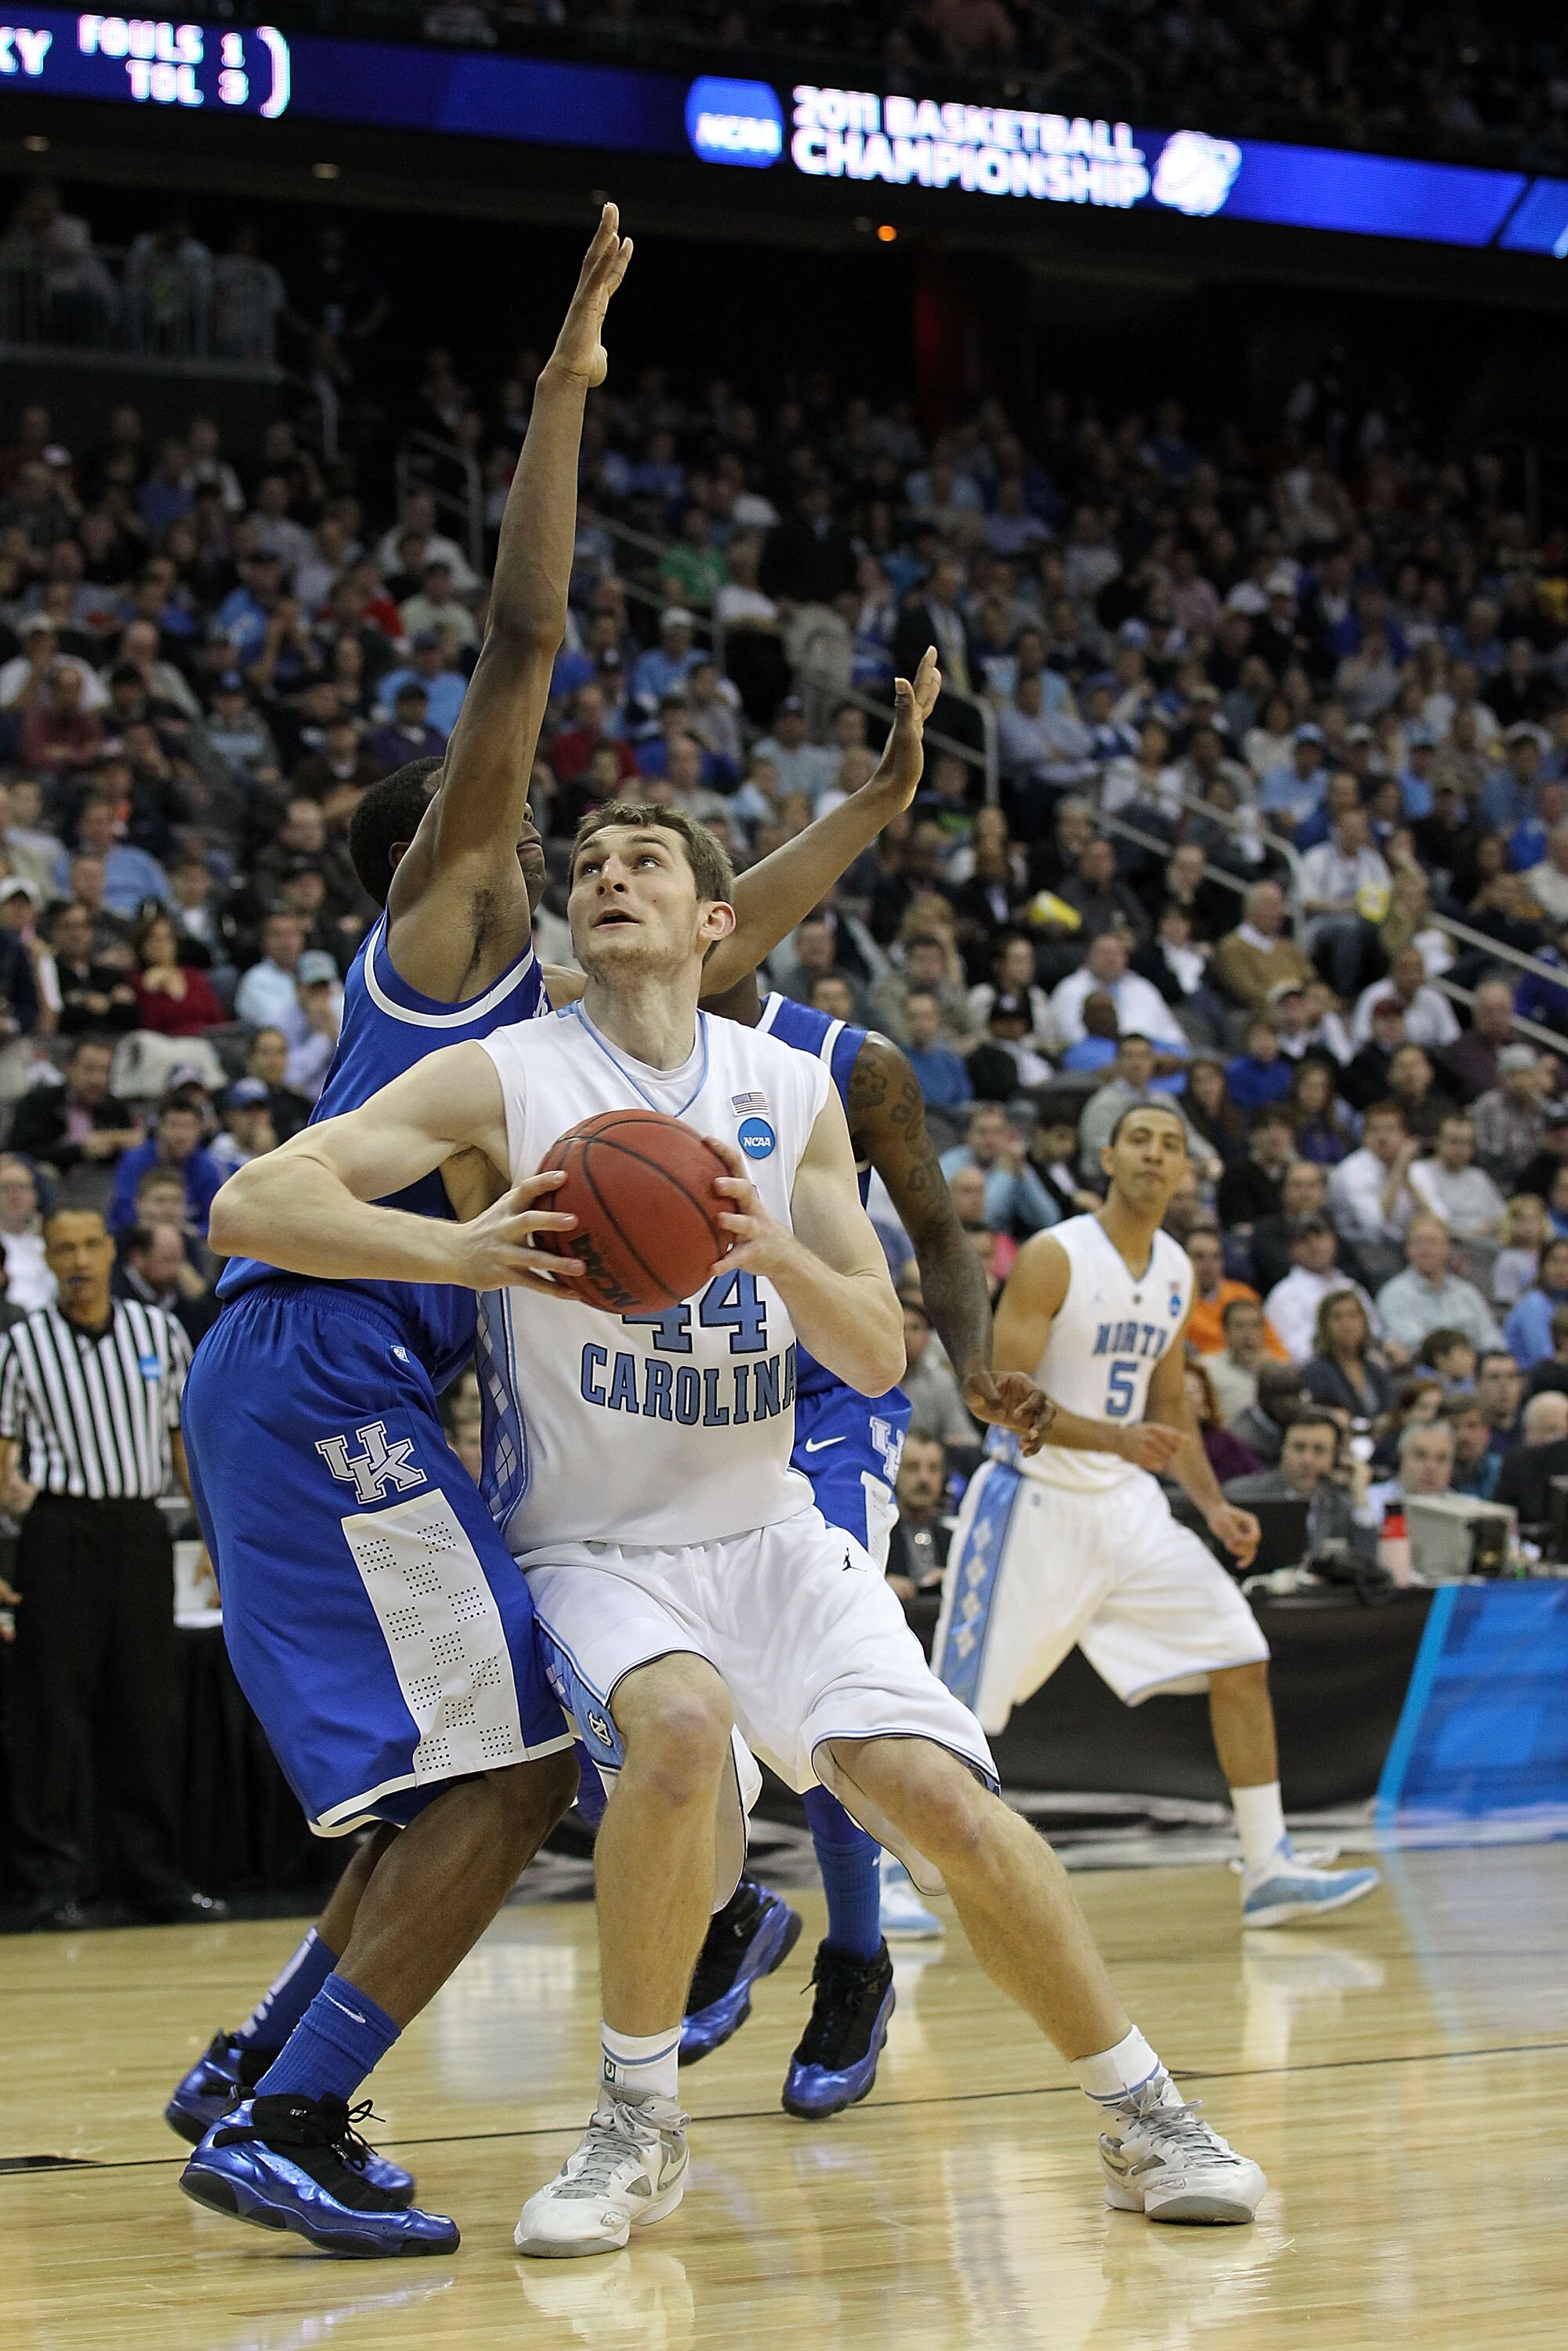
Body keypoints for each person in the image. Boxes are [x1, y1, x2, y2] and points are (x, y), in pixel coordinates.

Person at [164, 218, 969, 2248]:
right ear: (448, 843)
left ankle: (261, 2062)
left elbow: (736, 928)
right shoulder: (444, 946)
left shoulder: (555, 1035)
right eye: (515, 814)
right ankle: (291, 2113)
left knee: (499, 1754)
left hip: (356, 1369)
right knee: (518, 1768)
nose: (547, 826)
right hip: (325, 1347)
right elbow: (521, 647)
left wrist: (871, 813)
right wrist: (565, 392)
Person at [210, 802, 1269, 2251]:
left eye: (643, 861)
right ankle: (633, 2128)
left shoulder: (789, 1088)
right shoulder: (504, 1071)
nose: (603, 878)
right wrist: (453, 1246)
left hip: (768, 1532)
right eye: (585, 865)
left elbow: (880, 1356)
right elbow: (253, 1201)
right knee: (685, 1730)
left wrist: (770, 1244)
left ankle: (1145, 2113)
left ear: (717, 922)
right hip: (592, 1548)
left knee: (943, 1800)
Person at [672, 965, 1052, 2081]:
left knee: (826, 1674)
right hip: (690, 1383)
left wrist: (976, 1368)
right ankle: (734, 1909)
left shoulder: (853, 1063)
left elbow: (937, 1229)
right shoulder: (600, 1040)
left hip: (835, 1391)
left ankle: (855, 1963)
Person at [935, 1096, 1377, 1934]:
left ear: (1183, 1170)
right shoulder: (1054, 1254)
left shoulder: (1176, 1268)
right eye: (1138, 1139)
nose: (1153, 1154)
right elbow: (992, 1397)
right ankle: (892, 1876)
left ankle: (1268, 1862)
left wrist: (1213, 1506)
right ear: (1107, 1158)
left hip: (1129, 1509)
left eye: (1169, 1145)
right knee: (957, 1710)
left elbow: (1171, 1405)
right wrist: (1113, 1438)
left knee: (1241, 1655)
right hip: (1034, 1505)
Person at [0, 1207, 222, 1928]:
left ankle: (152, 1878)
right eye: (63, 1248)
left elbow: (187, 1447)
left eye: (90, 1244)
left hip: (138, 1530)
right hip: (59, 1529)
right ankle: (49, 1884)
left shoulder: (156, 1333)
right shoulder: (20, 1345)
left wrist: (221, 1545)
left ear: (109, 1250)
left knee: (143, 1710)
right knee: (51, 1714)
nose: (79, 1259)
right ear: (48, 1255)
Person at [1222, 1411, 1380, 1570]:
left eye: (1319, 1450)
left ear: (1335, 1458)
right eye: (1299, 1448)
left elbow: (1368, 1563)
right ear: (1282, 1450)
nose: (1307, 1460)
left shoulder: (1341, 1502)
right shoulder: (1240, 1496)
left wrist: (1360, 1496)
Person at [7, 1035, 141, 1180]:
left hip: (101, 1184)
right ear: (68, 1068)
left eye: (105, 1071)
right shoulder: (39, 1102)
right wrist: (80, 1151)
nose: (97, 1079)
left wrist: (127, 1143)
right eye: (89, 1069)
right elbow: (20, 1153)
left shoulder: (116, 1108)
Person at [1376, 1212, 1504, 1360]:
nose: (1426, 1250)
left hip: (1475, 1369)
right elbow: (1413, 1343)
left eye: (1433, 1242)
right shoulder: (1394, 1294)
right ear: (1408, 1248)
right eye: (1419, 1242)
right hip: (1427, 1374)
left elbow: (1492, 1339)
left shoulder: (1466, 1292)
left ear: (1447, 1247)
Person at [1265, 1215, 1380, 1366]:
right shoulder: (1284, 1295)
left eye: (1319, 1236)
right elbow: (1293, 1352)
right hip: (1317, 1373)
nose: (1314, 1245)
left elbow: (1374, 1331)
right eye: (1304, 1239)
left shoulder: (1350, 1286)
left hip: (1363, 1365)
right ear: (1292, 1249)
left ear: (1333, 1241)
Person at [1327, 1099, 1422, 1284]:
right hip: (1359, 1246)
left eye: (1390, 1130)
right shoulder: (1352, 1171)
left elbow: (1440, 1218)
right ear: (1364, 1137)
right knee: (1385, 1270)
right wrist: (1398, 1171)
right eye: (1375, 1130)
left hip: (1404, 1242)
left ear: (1404, 1136)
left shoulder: (1415, 1168)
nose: (1383, 1137)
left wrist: (1410, 1182)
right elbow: (1375, 1226)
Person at [107, 1095, 224, 1237]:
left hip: (186, 1241)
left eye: (188, 1127)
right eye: (174, 1125)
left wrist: (194, 1232)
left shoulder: (208, 1167)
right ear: (159, 1127)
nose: (181, 1135)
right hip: (137, 1238)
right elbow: (123, 1212)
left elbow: (216, 1222)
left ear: (199, 1130)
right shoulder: (135, 1160)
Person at [940, 1102, 1059, 1236]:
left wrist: (1023, 1173)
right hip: (965, 1240)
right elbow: (979, 1221)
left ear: (1007, 1136)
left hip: (1004, 1246)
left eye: (997, 1132)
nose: (990, 1140)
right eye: (982, 1132)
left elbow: (1048, 1220)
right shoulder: (950, 1164)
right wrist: (1005, 1173)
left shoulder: (1012, 1162)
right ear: (967, 1135)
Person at [1183, 1223, 1287, 1360]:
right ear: (1183, 1259)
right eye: (1199, 1257)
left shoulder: (1243, 1295)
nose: (1208, 1264)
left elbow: (1278, 1352)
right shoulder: (1176, 1302)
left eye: (1216, 1256)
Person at [899, 1290, 982, 1447]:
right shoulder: (865, 1380)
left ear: (928, 1337)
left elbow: (966, 1437)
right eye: (900, 1328)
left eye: (915, 1328)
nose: (906, 1337)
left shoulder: (941, 1381)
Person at [1302, 1289, 1395, 1426]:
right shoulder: (1315, 1371)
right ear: (1324, 1325)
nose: (1346, 1323)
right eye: (1337, 1317)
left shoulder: (1376, 1370)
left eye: (1353, 1315)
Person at [1494, 1390, 1568, 1523]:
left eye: (1561, 1432)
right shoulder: (1517, 1463)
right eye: (1550, 1430)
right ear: (1527, 1432)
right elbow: (1503, 1518)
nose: (1555, 1440)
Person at [1201, 1295, 1273, 1425]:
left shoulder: (1278, 1370)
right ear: (1225, 1332)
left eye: (1255, 1325)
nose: (1248, 1334)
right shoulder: (1207, 1369)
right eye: (1239, 1326)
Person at [1184, 1361, 1261, 1483]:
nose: (1187, 1398)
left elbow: (1257, 1483)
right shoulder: (1153, 1444)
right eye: (1180, 1392)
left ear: (1206, 1400)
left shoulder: (1228, 1444)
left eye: (1193, 1390)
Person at [1229, 1359, 1309, 1469]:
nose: (1290, 1405)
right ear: (1261, 1398)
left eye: (1294, 1396)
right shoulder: (1241, 1437)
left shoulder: (1307, 1419)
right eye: (1280, 1398)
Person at [1503, 1235, 1568, 1371]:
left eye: (1567, 1261)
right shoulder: (1535, 1304)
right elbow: (1545, 1363)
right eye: (1554, 1261)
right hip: (1529, 1380)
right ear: (1541, 1267)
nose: (1561, 1268)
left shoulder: (1562, 1302)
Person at [0, 1155, 56, 1310]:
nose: (14, 1195)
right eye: (6, 1188)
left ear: (35, 1195)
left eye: (21, 1187)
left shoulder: (49, 1244)